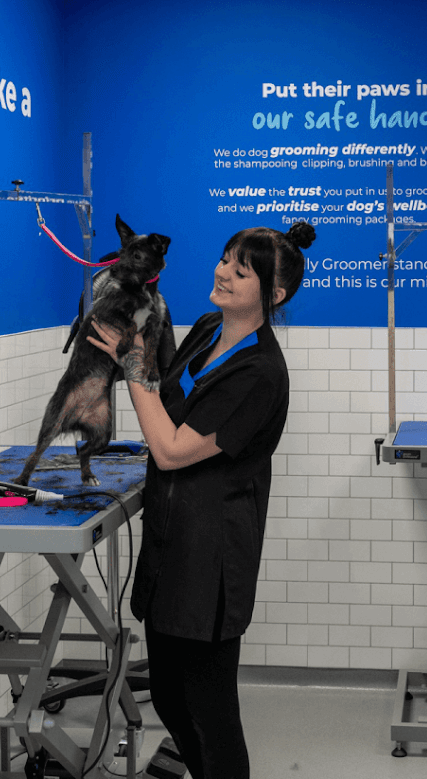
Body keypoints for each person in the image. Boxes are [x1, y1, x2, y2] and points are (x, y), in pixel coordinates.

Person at [87, 221, 316, 779]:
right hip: (171, 540)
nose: (222, 272)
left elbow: (168, 448)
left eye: (241, 270)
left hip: (211, 560)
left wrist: (130, 363)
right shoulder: (211, 328)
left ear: (275, 294)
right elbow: (167, 393)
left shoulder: (260, 373)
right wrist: (136, 338)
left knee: (210, 710)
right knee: (166, 693)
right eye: (224, 259)